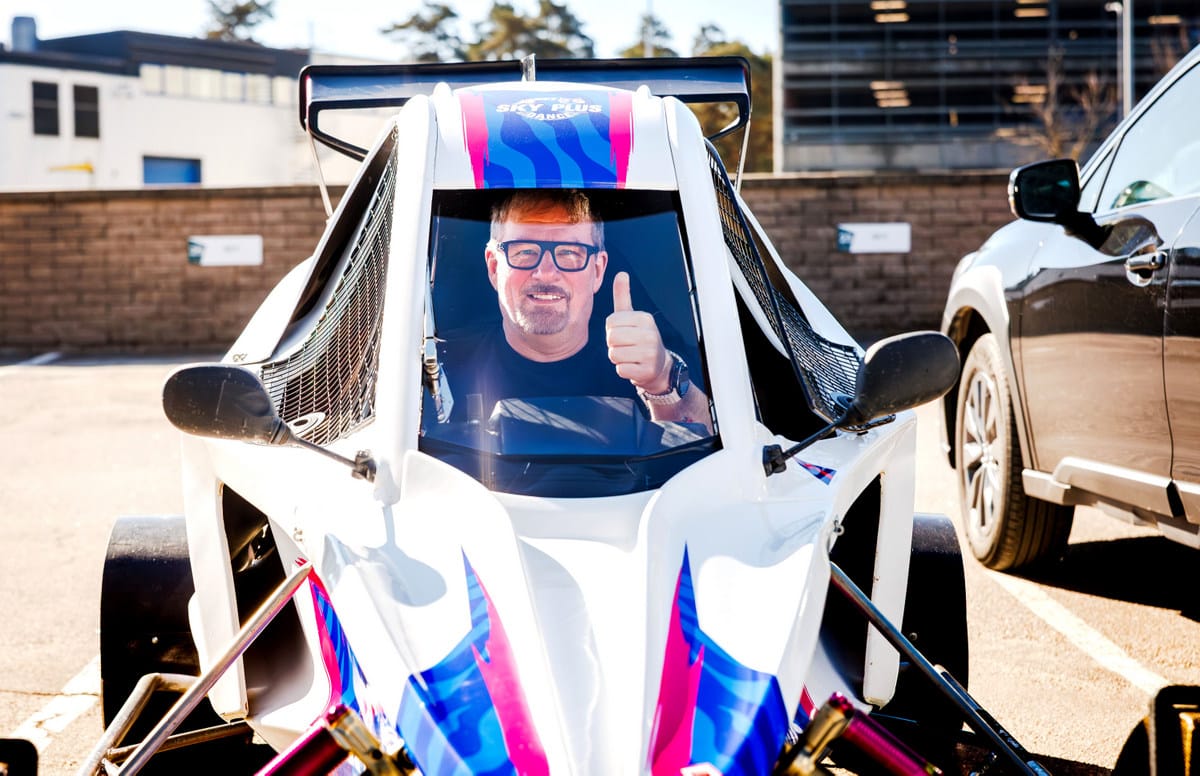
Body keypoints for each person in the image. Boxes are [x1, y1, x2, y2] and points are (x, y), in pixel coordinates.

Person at [435, 189, 712, 434]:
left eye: (569, 252)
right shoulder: (439, 372)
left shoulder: (645, 366)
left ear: (598, 271)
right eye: (525, 251)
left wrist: (661, 378)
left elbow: (710, 454)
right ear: (494, 267)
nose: (545, 272)